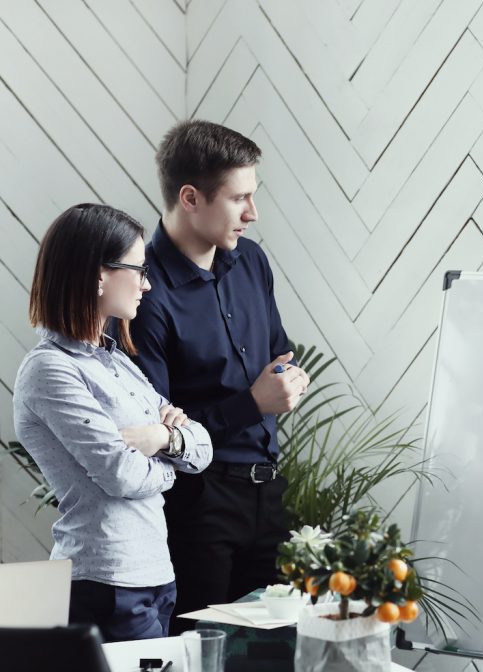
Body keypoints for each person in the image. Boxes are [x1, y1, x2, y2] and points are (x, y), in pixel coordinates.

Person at [130, 120, 310, 631]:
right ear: (190, 197)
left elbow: (280, 352)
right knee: (200, 650)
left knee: (273, 652)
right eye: (239, 199)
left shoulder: (252, 261)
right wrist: (254, 403)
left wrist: (286, 382)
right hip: (196, 503)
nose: (252, 214)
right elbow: (159, 433)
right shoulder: (143, 294)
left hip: (267, 491)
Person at [13, 203, 212, 642]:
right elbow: (120, 474)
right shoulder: (50, 369)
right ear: (99, 274)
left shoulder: (117, 362)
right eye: (139, 269)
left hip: (156, 574)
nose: (147, 283)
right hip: (105, 582)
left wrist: (160, 436)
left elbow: (202, 447)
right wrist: (171, 458)